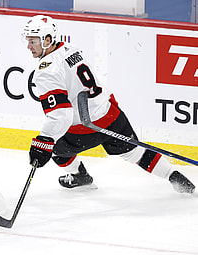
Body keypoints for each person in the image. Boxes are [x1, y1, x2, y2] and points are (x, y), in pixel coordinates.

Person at [24, 15, 195, 193]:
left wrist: (44, 141)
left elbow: (61, 114)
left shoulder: (46, 72)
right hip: (110, 114)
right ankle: (173, 176)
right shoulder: (70, 48)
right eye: (28, 41)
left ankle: (79, 175)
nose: (29, 46)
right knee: (136, 152)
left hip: (85, 129)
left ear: (48, 40)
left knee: (56, 148)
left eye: (33, 41)